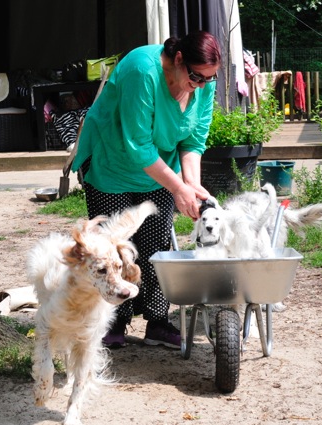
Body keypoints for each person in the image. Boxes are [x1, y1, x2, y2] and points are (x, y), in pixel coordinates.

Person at [72, 30, 221, 349]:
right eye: (197, 77)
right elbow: (138, 146)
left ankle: (157, 320)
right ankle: (114, 322)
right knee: (115, 248)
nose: (203, 86)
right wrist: (178, 186)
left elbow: (193, 140)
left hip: (159, 171)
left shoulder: (203, 83)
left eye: (209, 79)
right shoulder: (143, 70)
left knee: (155, 246)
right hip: (112, 163)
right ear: (179, 59)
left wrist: (190, 183)